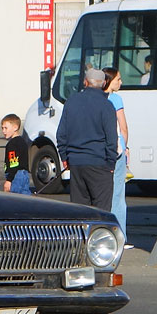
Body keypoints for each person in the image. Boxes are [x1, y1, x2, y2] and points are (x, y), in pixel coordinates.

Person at [55, 67, 118, 211]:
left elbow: (61, 135)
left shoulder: (71, 102)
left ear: (85, 82)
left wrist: (65, 157)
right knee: (101, 212)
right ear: (103, 84)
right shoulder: (106, 106)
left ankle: (81, 234)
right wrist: (110, 164)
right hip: (99, 163)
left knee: (80, 211)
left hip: (76, 163)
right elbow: (111, 139)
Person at [102, 67, 129, 236]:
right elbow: (123, 128)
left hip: (100, 151)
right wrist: (125, 147)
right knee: (118, 194)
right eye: (117, 79)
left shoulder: (96, 99)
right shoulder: (116, 99)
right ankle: (120, 234)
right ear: (109, 81)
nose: (121, 82)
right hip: (116, 150)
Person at [1, 114, 32, 194]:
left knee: (14, 200)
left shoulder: (12, 144)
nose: (3, 131)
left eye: (6, 128)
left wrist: (9, 180)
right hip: (24, 174)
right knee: (24, 199)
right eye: (2, 128)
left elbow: (14, 164)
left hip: (16, 176)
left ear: (15, 127)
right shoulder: (22, 141)